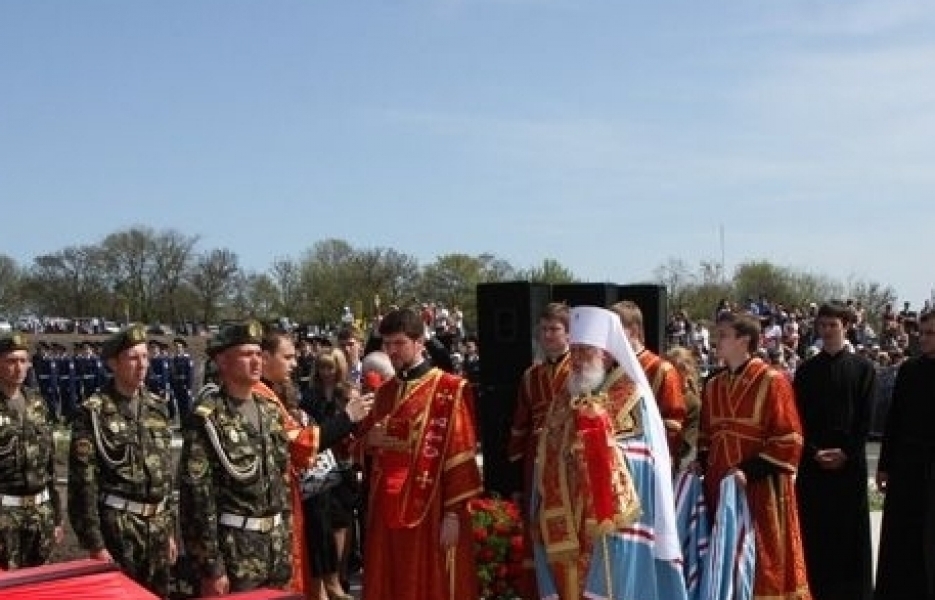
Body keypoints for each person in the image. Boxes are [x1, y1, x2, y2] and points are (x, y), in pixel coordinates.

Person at [531, 306, 686, 600]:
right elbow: (548, 451)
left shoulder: (629, 396)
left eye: (585, 351)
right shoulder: (564, 396)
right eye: (574, 350)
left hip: (607, 524)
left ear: (607, 354)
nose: (575, 359)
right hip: (566, 518)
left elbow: (642, 463)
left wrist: (596, 447)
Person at [355, 308, 482, 600]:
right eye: (387, 344)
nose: (392, 351)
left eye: (399, 343)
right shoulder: (385, 392)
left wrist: (452, 514)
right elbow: (360, 447)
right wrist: (368, 441)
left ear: (419, 342)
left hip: (432, 506)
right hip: (386, 508)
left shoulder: (449, 389)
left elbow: (460, 452)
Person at [697, 311, 811, 599]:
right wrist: (699, 465)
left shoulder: (773, 380)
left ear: (744, 340)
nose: (715, 341)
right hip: (719, 487)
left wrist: (748, 470)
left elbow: (789, 440)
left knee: (763, 561)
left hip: (760, 489)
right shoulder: (712, 385)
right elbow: (705, 437)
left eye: (723, 335)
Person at [178, 320, 293, 595]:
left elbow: (280, 479)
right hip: (235, 549)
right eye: (246, 354)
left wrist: (286, 540)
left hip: (275, 547)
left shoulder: (270, 411)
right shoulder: (207, 418)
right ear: (222, 361)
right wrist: (211, 565)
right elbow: (197, 497)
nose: (256, 361)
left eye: (259, 354)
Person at [256, 328, 371, 600]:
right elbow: (301, 442)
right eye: (287, 357)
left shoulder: (272, 392)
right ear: (266, 357)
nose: (295, 363)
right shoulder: (263, 395)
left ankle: (331, 584)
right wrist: (347, 418)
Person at [68, 324, 178, 597]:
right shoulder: (93, 413)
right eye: (133, 357)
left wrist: (171, 530)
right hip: (118, 528)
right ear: (112, 363)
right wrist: (94, 543)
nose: (142, 365)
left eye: (146, 356)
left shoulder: (157, 407)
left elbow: (165, 474)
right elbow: (83, 483)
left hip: (159, 527)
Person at [793, 301, 874, 600]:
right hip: (814, 467)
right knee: (816, 534)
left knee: (850, 537)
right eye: (822, 325)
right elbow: (798, 419)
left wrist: (847, 454)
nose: (827, 331)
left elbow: (866, 421)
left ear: (846, 326)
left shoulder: (864, 369)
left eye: (833, 325)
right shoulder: (805, 372)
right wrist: (814, 452)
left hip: (849, 468)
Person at [506, 302, 571, 598]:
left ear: (569, 333)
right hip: (536, 462)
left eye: (554, 329)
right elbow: (519, 427)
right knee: (537, 531)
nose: (547, 335)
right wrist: (518, 478)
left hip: (569, 463)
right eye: (543, 329)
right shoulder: (530, 376)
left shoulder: (580, 368)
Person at [874, 309, 935, 600]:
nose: (923, 339)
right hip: (908, 467)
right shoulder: (910, 370)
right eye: (921, 333)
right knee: (903, 538)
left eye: (930, 334)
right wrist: (884, 465)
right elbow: (894, 420)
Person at [0, 333, 64, 570]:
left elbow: (49, 465)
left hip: (40, 515)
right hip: (4, 516)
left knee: (40, 586)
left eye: (23, 361)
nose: (19, 367)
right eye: (11, 361)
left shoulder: (37, 404)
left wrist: (56, 516)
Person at [612, 300, 687, 466]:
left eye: (614, 331)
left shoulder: (661, 369)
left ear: (633, 331)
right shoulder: (609, 369)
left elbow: (674, 422)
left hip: (648, 461)